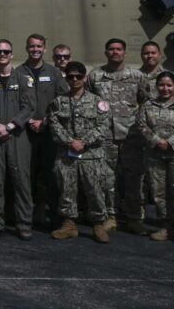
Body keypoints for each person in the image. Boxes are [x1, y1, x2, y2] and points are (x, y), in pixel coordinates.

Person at [85, 38, 147, 235]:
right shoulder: (95, 76)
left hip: (131, 136)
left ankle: (134, 218)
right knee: (106, 179)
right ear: (106, 52)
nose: (115, 52)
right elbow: (88, 102)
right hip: (105, 137)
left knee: (133, 178)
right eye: (111, 49)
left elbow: (146, 103)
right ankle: (110, 216)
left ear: (125, 53)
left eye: (119, 49)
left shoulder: (137, 76)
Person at [48, 61, 112, 243]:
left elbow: (103, 126)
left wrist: (84, 142)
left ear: (85, 78)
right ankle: (69, 224)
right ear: (66, 79)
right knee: (66, 189)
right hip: (66, 154)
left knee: (95, 190)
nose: (74, 79)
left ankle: (98, 224)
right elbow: (54, 125)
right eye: (70, 77)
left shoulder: (98, 102)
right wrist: (70, 141)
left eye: (78, 76)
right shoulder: (58, 102)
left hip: (91, 155)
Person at [0, 39, 35, 240]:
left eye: (6, 52)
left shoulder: (23, 80)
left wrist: (10, 126)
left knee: (21, 181)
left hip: (17, 137)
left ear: (12, 54)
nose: (2, 55)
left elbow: (29, 107)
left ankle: (24, 223)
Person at [14, 34, 68, 227]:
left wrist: (44, 121)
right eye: (32, 46)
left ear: (44, 49)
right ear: (26, 48)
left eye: (39, 46)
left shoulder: (54, 72)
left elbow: (63, 100)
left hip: (48, 132)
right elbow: (14, 101)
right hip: (25, 133)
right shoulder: (18, 72)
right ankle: (25, 216)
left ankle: (54, 216)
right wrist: (28, 120)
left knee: (52, 174)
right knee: (26, 174)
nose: (35, 49)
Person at [137, 70, 174, 246]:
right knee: (159, 192)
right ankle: (165, 226)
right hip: (155, 154)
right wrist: (156, 141)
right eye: (161, 85)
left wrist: (170, 143)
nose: (165, 88)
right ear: (156, 86)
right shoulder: (147, 106)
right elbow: (141, 125)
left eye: (169, 85)